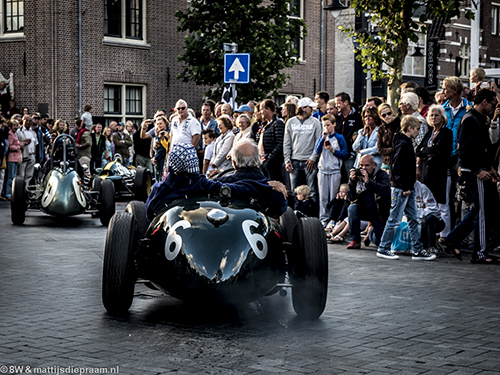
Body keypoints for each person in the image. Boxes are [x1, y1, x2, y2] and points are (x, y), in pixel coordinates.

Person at [146, 142, 287, 221]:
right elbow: (237, 189)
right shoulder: (202, 184)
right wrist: (265, 185)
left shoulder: (158, 190)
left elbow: (149, 216)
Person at [440, 89, 500, 264]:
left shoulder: (478, 118)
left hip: (481, 170)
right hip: (476, 173)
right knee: (481, 211)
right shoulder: (470, 120)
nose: (493, 107)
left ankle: (452, 239)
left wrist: (490, 167)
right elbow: (464, 150)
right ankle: (480, 252)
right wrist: (477, 170)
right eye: (492, 103)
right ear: (484, 102)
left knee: (481, 209)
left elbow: (484, 147)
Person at [376, 116, 436, 261]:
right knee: (395, 219)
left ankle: (417, 249)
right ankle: (384, 248)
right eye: (416, 129)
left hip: (406, 187)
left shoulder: (403, 142)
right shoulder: (404, 144)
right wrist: (404, 186)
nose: (417, 132)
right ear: (410, 128)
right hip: (402, 188)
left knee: (412, 219)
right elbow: (397, 168)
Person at [416, 104, 453, 241]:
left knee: (442, 204)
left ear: (443, 117)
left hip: (441, 174)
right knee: (430, 204)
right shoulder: (429, 133)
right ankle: (433, 233)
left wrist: (429, 151)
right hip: (427, 173)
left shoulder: (447, 133)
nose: (434, 117)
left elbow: (441, 151)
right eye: (431, 115)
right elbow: (418, 150)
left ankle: (444, 236)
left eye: (436, 115)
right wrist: (430, 151)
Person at [345, 154, 390, 249]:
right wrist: (352, 182)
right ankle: (355, 240)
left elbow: (385, 191)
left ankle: (371, 233)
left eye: (367, 165)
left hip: (379, 213)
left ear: (374, 165)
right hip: (364, 209)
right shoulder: (358, 176)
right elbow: (350, 198)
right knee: (352, 208)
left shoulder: (382, 175)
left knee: (380, 243)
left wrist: (369, 182)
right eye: (361, 165)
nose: (363, 168)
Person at [284, 97, 322, 201]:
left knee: (312, 190)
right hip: (294, 160)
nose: (312, 110)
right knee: (294, 191)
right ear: (303, 108)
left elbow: (318, 141)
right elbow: (287, 143)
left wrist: (313, 158)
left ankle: (311, 213)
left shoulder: (316, 122)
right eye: (310, 108)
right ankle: (295, 212)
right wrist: (287, 160)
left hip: (309, 161)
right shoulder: (290, 122)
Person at [314, 114, 348, 226]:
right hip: (323, 170)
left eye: (328, 125)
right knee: (323, 197)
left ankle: (333, 220)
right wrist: (322, 138)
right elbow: (317, 150)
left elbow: (345, 153)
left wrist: (333, 151)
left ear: (334, 124)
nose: (326, 127)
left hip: (334, 170)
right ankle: (323, 219)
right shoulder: (322, 136)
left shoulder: (339, 138)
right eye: (324, 125)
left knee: (334, 197)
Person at [334, 92, 363, 176]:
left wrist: (352, 152)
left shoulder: (357, 117)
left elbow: (359, 135)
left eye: (338, 103)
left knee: (350, 179)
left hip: (350, 155)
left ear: (346, 102)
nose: (337, 106)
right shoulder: (336, 117)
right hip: (337, 154)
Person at [415, 180, 445, 255]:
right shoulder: (403, 190)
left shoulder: (422, 188)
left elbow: (433, 209)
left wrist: (417, 214)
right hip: (416, 221)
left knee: (428, 218)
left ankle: (432, 246)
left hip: (436, 222)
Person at [258, 99, 285, 182]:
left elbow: (280, 143)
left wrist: (270, 158)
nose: (260, 112)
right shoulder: (265, 125)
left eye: (261, 109)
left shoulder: (277, 123)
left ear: (268, 109)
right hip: (263, 161)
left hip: (273, 162)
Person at [377, 103, 401, 172]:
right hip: (386, 162)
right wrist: (392, 150)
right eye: (384, 115)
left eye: (389, 113)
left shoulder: (399, 124)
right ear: (380, 116)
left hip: (398, 160)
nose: (387, 116)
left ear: (392, 112)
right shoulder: (381, 129)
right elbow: (380, 148)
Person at [16, 115, 38, 185]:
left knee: (29, 175)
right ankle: (20, 190)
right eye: (26, 120)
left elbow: (35, 144)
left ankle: (26, 189)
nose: (28, 122)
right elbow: (15, 142)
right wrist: (23, 143)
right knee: (21, 174)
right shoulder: (19, 131)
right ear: (23, 121)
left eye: (30, 121)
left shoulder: (33, 132)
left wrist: (34, 155)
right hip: (23, 155)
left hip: (31, 155)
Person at [5, 119, 21, 200]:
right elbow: (10, 146)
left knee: (14, 177)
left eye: (16, 125)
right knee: (10, 176)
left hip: (16, 158)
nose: (15, 127)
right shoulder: (10, 135)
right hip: (11, 158)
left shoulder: (15, 134)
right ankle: (8, 193)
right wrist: (18, 147)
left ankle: (12, 193)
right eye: (14, 125)